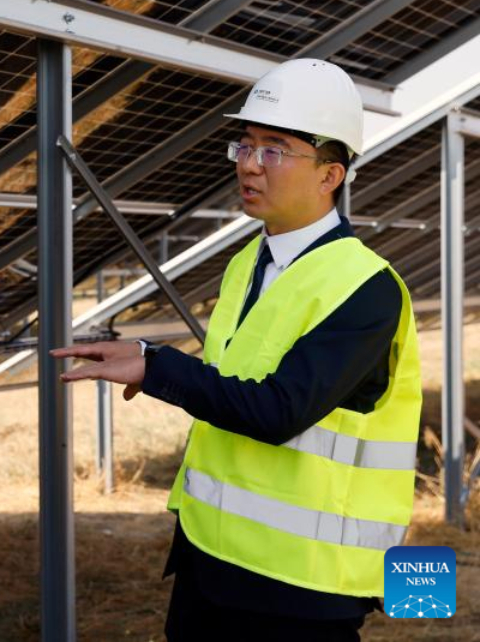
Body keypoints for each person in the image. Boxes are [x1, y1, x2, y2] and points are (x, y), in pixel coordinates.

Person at [53, 59, 422, 641]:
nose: (249, 165)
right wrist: (153, 356)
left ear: (330, 175)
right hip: (210, 564)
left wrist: (159, 368)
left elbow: (277, 411)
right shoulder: (245, 263)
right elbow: (237, 382)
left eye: (274, 150)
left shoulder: (367, 288)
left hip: (302, 590)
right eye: (244, 145)